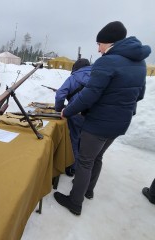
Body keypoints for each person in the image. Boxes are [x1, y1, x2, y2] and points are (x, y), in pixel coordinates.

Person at [54, 21, 151, 215]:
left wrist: (68, 111)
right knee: (97, 157)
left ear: (109, 42)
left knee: (85, 161)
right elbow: (139, 94)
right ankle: (88, 191)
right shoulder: (140, 62)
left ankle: (75, 201)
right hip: (121, 123)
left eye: (100, 44)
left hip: (99, 123)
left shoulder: (107, 62)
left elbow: (89, 95)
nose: (98, 49)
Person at [55, 58, 91, 177]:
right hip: (92, 116)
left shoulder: (74, 77)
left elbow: (60, 95)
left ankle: (72, 167)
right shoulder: (98, 77)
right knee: (85, 142)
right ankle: (83, 168)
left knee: (74, 140)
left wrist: (59, 110)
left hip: (76, 114)